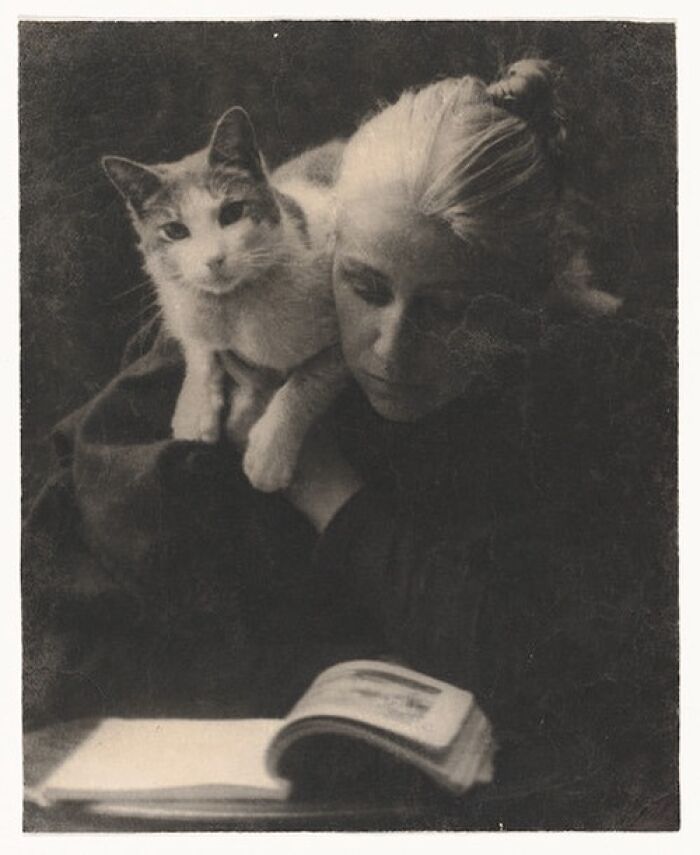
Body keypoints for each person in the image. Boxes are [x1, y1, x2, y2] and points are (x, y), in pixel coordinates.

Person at [22, 61, 676, 828]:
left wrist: (323, 485)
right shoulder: (247, 318)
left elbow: (563, 670)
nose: (390, 349)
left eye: (450, 312)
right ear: (327, 241)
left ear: (525, 304)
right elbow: (61, 622)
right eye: (363, 288)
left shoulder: (598, 388)